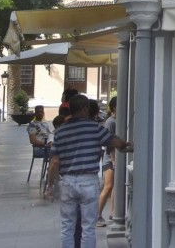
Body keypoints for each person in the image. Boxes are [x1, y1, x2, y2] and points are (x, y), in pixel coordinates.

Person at [45, 94, 132, 248]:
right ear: (85, 108)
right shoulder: (95, 128)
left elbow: (55, 162)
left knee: (67, 226)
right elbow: (116, 142)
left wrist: (50, 186)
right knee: (88, 228)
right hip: (88, 182)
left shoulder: (60, 132)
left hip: (68, 182)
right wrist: (126, 145)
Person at [96, 97, 117, 227]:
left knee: (115, 187)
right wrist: (113, 159)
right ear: (114, 107)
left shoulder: (118, 120)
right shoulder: (110, 122)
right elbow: (108, 142)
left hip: (115, 159)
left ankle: (113, 213)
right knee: (108, 186)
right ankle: (97, 215)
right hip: (110, 160)